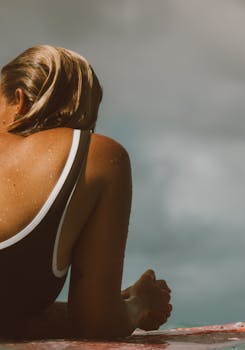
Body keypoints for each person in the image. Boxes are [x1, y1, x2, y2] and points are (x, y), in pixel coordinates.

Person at [0, 45, 172, 339]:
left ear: (20, 101)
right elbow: (96, 325)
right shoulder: (96, 156)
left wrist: (111, 302)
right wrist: (140, 302)